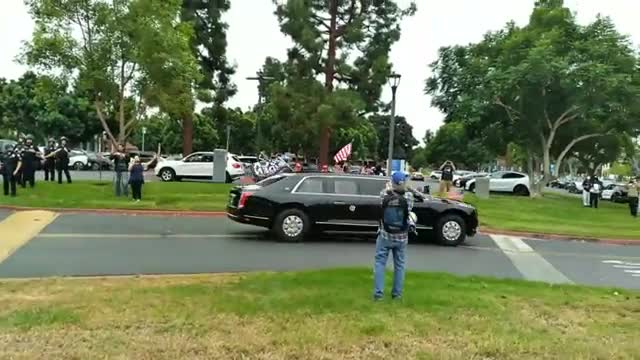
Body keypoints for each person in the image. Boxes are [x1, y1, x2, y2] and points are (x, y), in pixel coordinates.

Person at [373, 171, 423, 301]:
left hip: (385, 235)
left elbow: (382, 199)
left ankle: (378, 295)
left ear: (392, 182)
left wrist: (389, 187)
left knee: (380, 263)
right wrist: (408, 187)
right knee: (399, 265)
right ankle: (397, 295)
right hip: (402, 236)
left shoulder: (384, 194)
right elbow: (420, 196)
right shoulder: (409, 197)